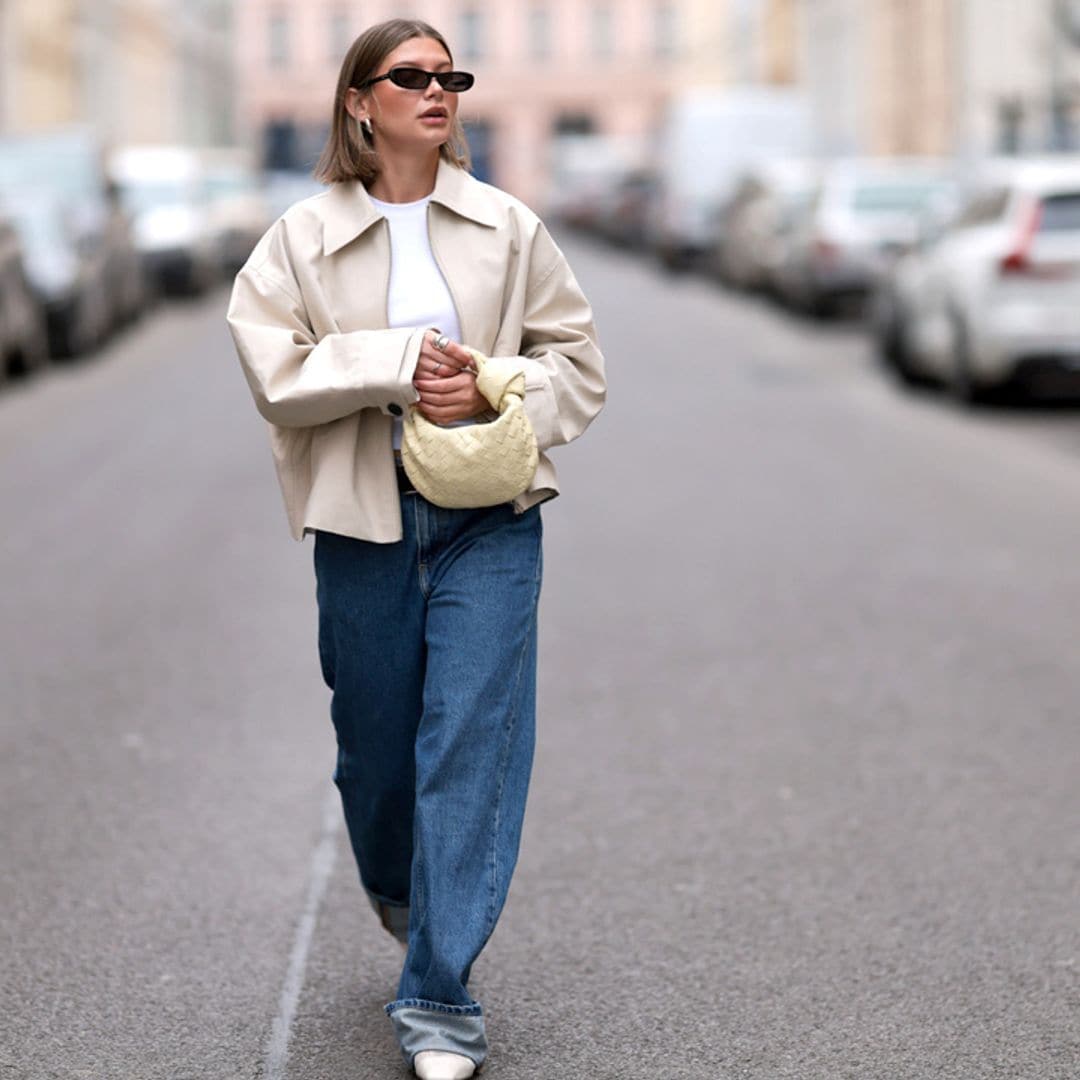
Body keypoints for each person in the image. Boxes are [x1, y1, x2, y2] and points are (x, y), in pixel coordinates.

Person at [226, 17, 605, 1080]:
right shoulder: (298, 240)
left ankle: (440, 996)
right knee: (378, 757)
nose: (438, 92)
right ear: (360, 102)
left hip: (491, 516)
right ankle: (402, 888)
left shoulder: (509, 227)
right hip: (363, 520)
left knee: (470, 750)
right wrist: (397, 364)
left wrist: (489, 381)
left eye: (452, 77)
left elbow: (576, 364)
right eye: (413, 77)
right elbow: (273, 372)